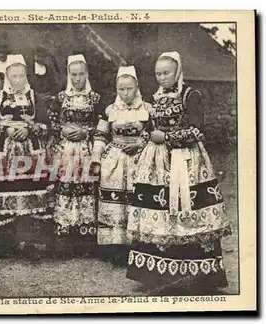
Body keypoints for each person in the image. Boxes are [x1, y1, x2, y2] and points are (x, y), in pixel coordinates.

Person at [126, 52, 231, 293]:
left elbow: (196, 130)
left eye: (166, 73)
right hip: (157, 162)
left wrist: (168, 137)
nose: (162, 78)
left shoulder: (190, 95)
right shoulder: (157, 97)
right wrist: (142, 139)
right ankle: (157, 274)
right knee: (159, 213)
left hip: (185, 161)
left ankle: (199, 275)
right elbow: (151, 129)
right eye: (158, 73)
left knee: (187, 208)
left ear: (177, 72)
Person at [0, 54, 54, 259]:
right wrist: (6, 131)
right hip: (4, 153)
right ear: (7, 76)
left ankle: (29, 243)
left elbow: (46, 124)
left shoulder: (33, 96)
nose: (18, 80)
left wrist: (30, 130)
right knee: (6, 194)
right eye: (14, 76)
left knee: (28, 196)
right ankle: (3, 243)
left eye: (21, 76)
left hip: (31, 153)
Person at [92, 66, 151, 263]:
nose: (125, 93)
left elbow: (152, 133)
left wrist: (139, 144)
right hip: (114, 159)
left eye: (129, 89)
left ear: (136, 87)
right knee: (114, 201)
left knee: (135, 198)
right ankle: (115, 247)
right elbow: (100, 135)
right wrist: (96, 160)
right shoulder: (110, 110)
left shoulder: (147, 109)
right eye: (121, 89)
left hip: (139, 157)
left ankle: (137, 245)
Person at [50, 54, 102, 257]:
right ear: (68, 75)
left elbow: (102, 125)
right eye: (74, 75)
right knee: (64, 185)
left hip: (86, 149)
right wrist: (62, 131)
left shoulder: (95, 98)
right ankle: (65, 234)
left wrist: (86, 133)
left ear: (87, 74)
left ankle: (85, 237)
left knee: (86, 186)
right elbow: (52, 120)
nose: (77, 78)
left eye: (81, 74)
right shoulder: (61, 98)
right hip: (65, 149)